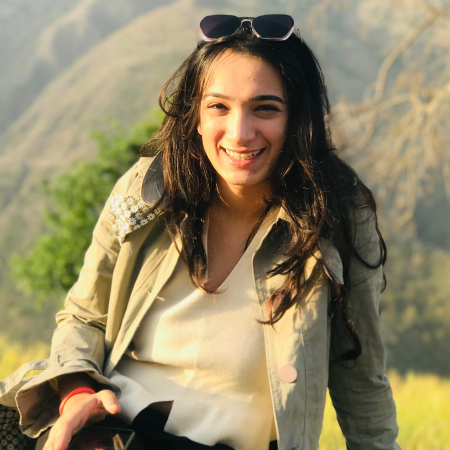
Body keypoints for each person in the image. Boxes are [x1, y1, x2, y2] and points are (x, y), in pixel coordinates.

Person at [0, 14, 401, 450]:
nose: (239, 133)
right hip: (110, 434)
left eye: (265, 108)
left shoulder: (337, 216)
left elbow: (360, 377)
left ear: (297, 118)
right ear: (195, 115)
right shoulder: (148, 191)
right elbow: (85, 316)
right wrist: (76, 392)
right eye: (219, 107)